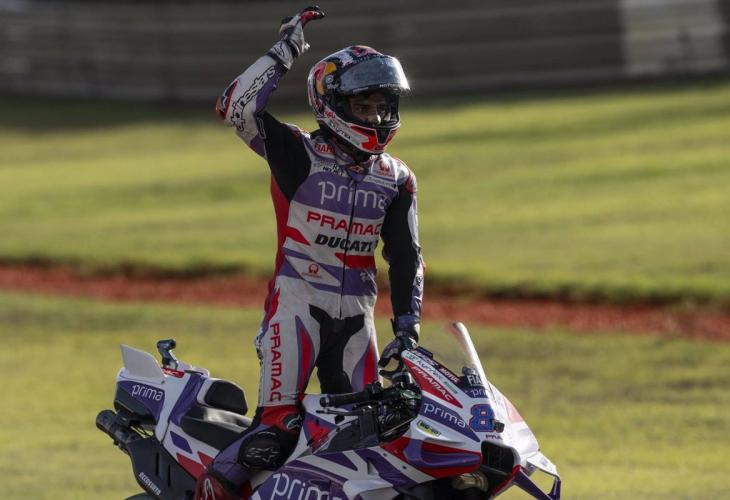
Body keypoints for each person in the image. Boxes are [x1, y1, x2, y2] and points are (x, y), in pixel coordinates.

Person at [194, 6, 424, 499]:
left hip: (359, 317)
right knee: (276, 433)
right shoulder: (297, 152)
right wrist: (286, 51)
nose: (376, 117)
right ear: (332, 103)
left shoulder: (398, 178)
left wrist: (407, 328)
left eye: (382, 106)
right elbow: (234, 107)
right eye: (363, 106)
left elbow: (406, 258)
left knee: (365, 443)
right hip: (296, 306)